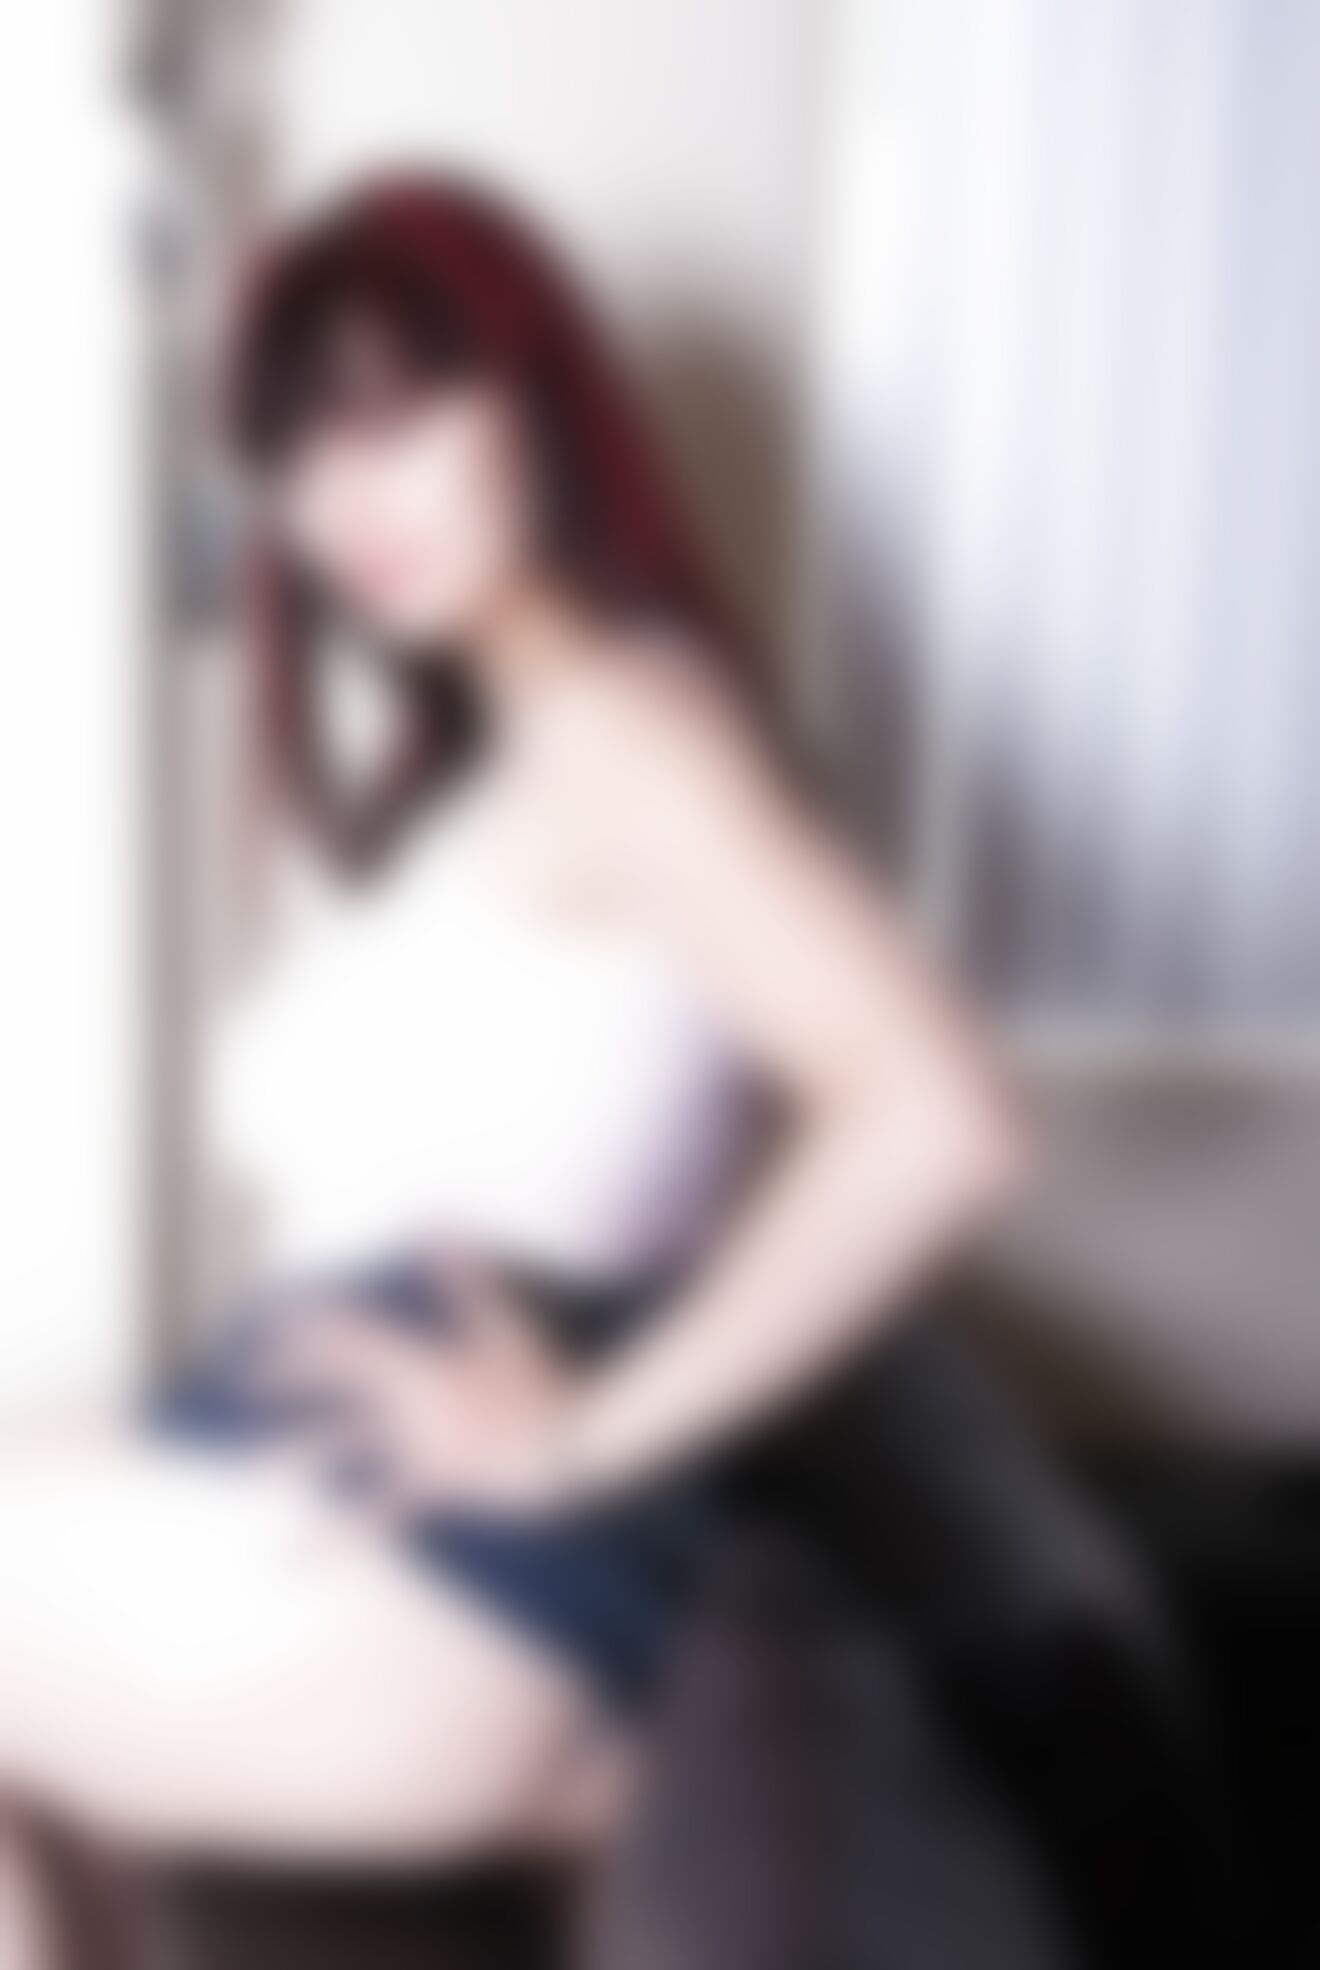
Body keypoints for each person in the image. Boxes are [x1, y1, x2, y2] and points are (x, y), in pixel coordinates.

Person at [0, 173, 1024, 1961]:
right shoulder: (533, 738)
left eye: (400, 415)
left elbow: (945, 1120)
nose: (345, 498)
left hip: (454, 1567)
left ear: (540, 397)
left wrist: (574, 1444)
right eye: (298, 445)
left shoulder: (624, 729)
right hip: (367, 1508)